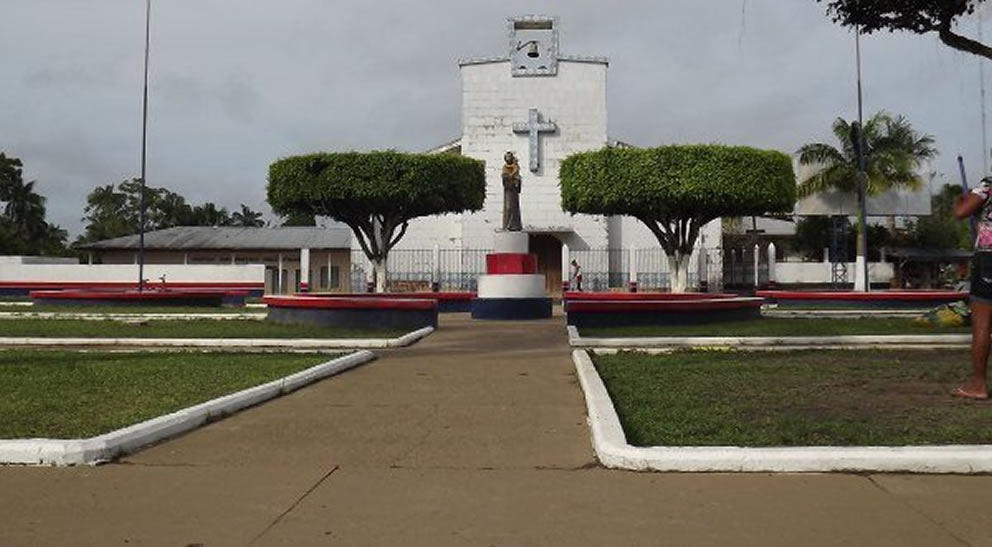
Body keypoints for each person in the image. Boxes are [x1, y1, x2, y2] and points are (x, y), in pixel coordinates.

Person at [953, 176, 992, 399]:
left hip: (988, 259)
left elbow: (961, 212)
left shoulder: (987, 186)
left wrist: (959, 199)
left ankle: (978, 385)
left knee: (982, 326)